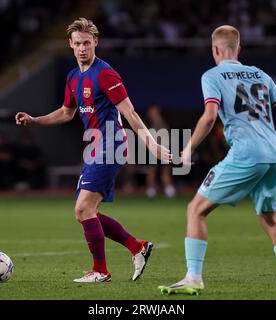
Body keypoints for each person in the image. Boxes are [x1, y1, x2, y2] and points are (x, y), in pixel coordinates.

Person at [15, 18, 171, 283]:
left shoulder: (105, 73)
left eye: (87, 43)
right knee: (88, 213)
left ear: (95, 42)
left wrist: (151, 144)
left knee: (83, 209)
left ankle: (101, 271)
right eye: (77, 44)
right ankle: (137, 247)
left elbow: (129, 112)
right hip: (95, 146)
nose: (82, 48)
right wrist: (35, 119)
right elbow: (66, 112)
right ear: (70, 45)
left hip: (111, 144)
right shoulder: (73, 76)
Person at [158, 25, 276, 295]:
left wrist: (188, 149)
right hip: (274, 154)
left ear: (215, 49)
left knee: (195, 210)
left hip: (246, 153)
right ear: (238, 49)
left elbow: (210, 116)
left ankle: (193, 277)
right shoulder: (260, 74)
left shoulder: (212, 76)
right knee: (269, 218)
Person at [145, 104, 176, 198]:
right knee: (153, 171)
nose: (151, 113)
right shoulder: (153, 123)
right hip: (156, 150)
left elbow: (166, 137)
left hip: (162, 149)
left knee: (164, 171)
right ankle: (152, 191)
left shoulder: (160, 122)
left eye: (153, 111)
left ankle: (168, 190)